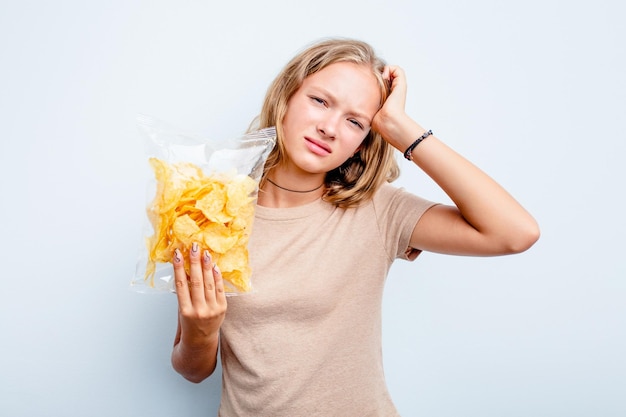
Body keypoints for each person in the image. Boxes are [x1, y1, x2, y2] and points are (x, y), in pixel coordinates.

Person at [169, 38, 540, 416]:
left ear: (363, 143)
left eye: (355, 122)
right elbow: (193, 370)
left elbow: (514, 233)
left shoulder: (378, 211)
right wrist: (201, 330)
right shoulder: (211, 215)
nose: (330, 128)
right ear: (285, 99)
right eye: (320, 101)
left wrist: (402, 129)